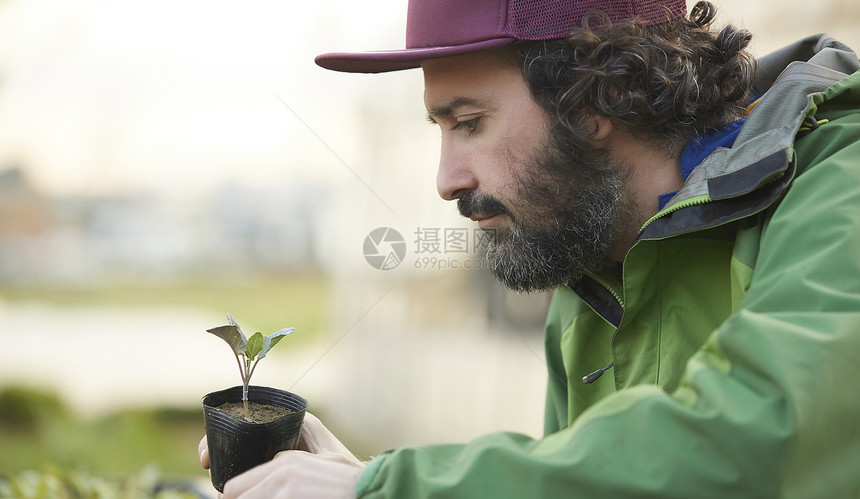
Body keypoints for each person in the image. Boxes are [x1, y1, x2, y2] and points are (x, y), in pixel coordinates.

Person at [199, 0, 860, 496]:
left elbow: (762, 440)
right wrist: (349, 478)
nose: (446, 180)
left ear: (604, 95)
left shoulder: (840, 185)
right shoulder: (591, 271)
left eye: (469, 123)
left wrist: (385, 488)